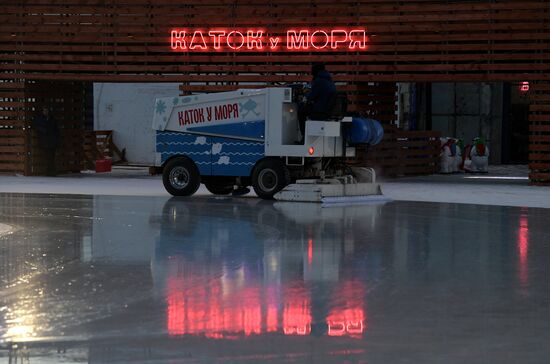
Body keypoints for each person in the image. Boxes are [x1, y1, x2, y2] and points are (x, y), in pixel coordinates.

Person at [298, 63, 337, 143]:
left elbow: (311, 96)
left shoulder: (319, 81)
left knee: (301, 111)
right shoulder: (329, 81)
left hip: (320, 110)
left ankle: (304, 137)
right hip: (328, 110)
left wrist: (305, 93)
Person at [33, 106, 60, 176]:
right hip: (45, 140)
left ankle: (51, 172)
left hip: (52, 141)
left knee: (52, 157)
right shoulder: (39, 119)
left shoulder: (52, 119)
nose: (46, 112)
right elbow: (37, 126)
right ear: (42, 111)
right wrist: (44, 131)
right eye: (44, 110)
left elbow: (56, 129)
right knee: (48, 157)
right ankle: (50, 172)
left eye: (47, 110)